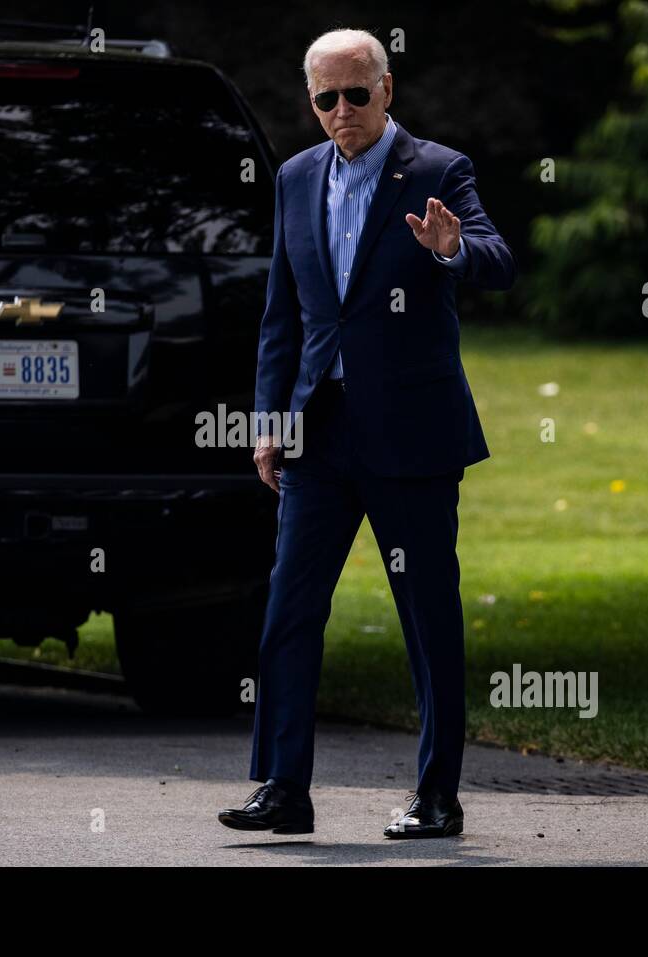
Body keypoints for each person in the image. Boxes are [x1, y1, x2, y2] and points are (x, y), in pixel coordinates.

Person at [217, 27, 516, 839]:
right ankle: (283, 786)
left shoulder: (437, 169)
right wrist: (272, 421)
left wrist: (454, 251)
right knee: (287, 611)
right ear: (309, 100)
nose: (341, 111)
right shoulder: (293, 178)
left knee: (427, 615)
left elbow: (498, 254)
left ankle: (437, 795)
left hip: (412, 435)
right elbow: (284, 315)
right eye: (325, 98)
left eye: (357, 93)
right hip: (320, 433)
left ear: (388, 90)